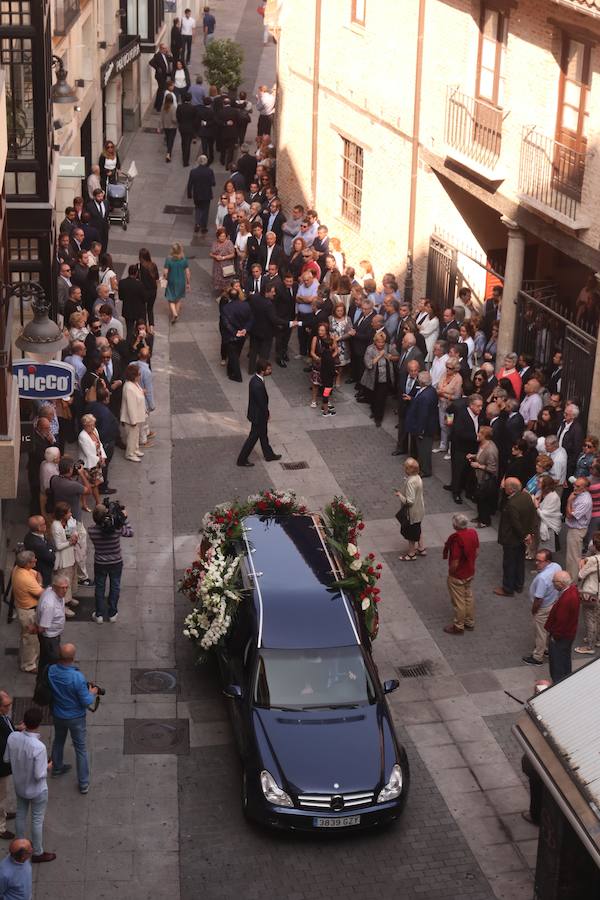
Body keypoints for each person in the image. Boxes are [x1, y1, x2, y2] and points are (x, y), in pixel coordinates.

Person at [4, 707, 54, 864]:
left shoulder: (12, 737)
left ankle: (19, 845)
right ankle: (37, 852)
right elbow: (40, 775)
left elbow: (6, 759)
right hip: (37, 790)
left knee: (21, 814)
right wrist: (48, 766)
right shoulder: (38, 747)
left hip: (20, 786)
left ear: (24, 721)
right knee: (37, 820)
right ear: (38, 724)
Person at [48, 643, 97, 795]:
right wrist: (93, 692)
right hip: (76, 717)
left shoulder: (51, 671)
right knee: (80, 749)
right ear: (73, 657)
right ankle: (83, 783)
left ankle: (56, 768)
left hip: (58, 714)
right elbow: (86, 701)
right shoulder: (77, 677)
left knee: (58, 740)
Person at [494, 478, 537, 597]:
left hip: (511, 538)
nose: (503, 487)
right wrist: (529, 534)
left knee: (509, 563)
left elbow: (515, 523)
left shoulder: (511, 504)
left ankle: (508, 588)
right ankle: (519, 584)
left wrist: (524, 535)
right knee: (519, 561)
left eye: (506, 486)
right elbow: (533, 514)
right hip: (523, 537)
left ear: (511, 489)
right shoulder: (526, 496)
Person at [236, 359, 281, 467]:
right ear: (262, 371)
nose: (270, 371)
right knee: (253, 438)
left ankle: (269, 454)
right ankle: (241, 460)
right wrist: (267, 413)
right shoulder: (257, 385)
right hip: (258, 416)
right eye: (268, 369)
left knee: (263, 435)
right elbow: (261, 403)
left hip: (258, 414)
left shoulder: (255, 380)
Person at [521, 550, 561, 667]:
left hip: (543, 608)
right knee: (548, 629)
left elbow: (538, 599)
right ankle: (546, 649)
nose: (536, 563)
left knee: (540, 633)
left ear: (547, 561)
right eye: (536, 559)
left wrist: (534, 611)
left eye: (540, 561)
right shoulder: (556, 566)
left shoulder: (542, 578)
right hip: (553, 603)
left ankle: (538, 656)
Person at [442, 514, 480, 634]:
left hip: (458, 575)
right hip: (469, 571)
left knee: (459, 601)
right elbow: (477, 551)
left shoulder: (457, 539)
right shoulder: (473, 533)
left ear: (455, 525)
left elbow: (455, 561)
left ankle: (459, 625)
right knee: (468, 597)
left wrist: (451, 572)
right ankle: (469, 621)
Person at [87, 505, 123, 624]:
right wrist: (123, 519)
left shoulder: (91, 530)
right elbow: (130, 532)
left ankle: (99, 615)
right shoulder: (117, 529)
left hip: (100, 563)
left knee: (100, 588)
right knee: (115, 586)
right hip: (116, 562)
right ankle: (112, 613)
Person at [444, 393, 483, 505]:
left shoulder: (480, 415)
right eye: (478, 406)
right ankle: (456, 492)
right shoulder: (461, 414)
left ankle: (467, 491)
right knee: (458, 470)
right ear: (471, 405)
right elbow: (459, 432)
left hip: (473, 448)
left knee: (469, 470)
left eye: (481, 406)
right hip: (460, 447)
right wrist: (476, 437)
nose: (480, 408)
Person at [545, 571, 580, 683]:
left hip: (561, 637)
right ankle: (566, 680)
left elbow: (561, 621)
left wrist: (554, 637)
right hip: (569, 634)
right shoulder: (572, 591)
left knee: (557, 662)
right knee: (565, 659)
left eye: (554, 581)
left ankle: (558, 683)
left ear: (560, 584)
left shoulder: (567, 599)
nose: (552, 583)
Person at [10, 553, 42, 675]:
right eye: (33, 559)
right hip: (28, 612)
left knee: (26, 637)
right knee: (31, 640)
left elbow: (37, 574)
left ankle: (24, 659)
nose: (36, 560)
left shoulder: (18, 569)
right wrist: (39, 583)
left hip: (23, 609)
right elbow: (41, 593)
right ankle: (28, 665)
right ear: (28, 563)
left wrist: (38, 579)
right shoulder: (26, 578)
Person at [404, 371, 438, 475]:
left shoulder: (425, 396)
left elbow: (423, 415)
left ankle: (425, 471)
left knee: (424, 450)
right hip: (429, 426)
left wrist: (420, 431)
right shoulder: (430, 390)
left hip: (425, 428)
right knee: (423, 449)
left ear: (422, 382)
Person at [35, 575, 68, 676]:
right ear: (54, 587)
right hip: (50, 639)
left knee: (45, 660)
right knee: (53, 662)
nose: (65, 590)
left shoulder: (52, 591)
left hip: (53, 636)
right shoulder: (49, 605)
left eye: (67, 587)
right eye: (62, 587)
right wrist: (33, 629)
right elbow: (42, 628)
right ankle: (48, 682)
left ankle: (42, 678)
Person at [574, 532, 600, 656]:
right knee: (598, 617)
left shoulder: (593, 560)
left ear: (595, 545)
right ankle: (597, 639)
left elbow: (580, 575)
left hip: (591, 592)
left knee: (590, 618)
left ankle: (590, 645)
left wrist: (583, 564)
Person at [49, 504, 78, 614]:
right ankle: (63, 606)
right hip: (62, 559)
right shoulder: (56, 526)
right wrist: (70, 542)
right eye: (69, 512)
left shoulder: (69, 521)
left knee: (69, 580)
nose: (71, 514)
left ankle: (68, 599)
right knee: (62, 583)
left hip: (70, 555)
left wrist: (75, 535)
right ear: (62, 515)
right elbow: (58, 546)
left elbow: (73, 530)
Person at [468, 425, 498, 528]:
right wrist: (474, 456)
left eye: (480, 433)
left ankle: (485, 521)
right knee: (480, 500)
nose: (477, 434)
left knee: (484, 501)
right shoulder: (482, 445)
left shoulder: (491, 450)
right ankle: (480, 517)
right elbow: (481, 456)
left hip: (486, 480)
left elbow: (493, 469)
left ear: (485, 435)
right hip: (480, 478)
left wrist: (478, 466)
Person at [395, 458, 425, 560]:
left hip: (412, 512)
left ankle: (411, 554)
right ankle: (421, 548)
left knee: (411, 532)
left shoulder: (411, 482)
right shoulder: (417, 477)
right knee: (418, 528)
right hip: (419, 510)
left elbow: (410, 501)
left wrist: (400, 495)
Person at [565, 476, 592, 581]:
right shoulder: (579, 494)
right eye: (575, 484)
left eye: (578, 486)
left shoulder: (585, 501)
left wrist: (569, 501)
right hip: (574, 529)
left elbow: (570, 516)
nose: (575, 487)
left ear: (585, 488)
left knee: (573, 557)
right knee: (571, 556)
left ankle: (572, 582)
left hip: (577, 530)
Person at [78, 414, 107, 507]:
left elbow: (100, 444)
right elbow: (88, 453)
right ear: (85, 425)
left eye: (94, 424)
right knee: (91, 484)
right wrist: (100, 459)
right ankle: (96, 502)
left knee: (93, 484)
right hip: (89, 464)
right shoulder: (82, 436)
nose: (93, 427)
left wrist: (103, 456)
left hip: (97, 461)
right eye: (91, 425)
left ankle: (86, 502)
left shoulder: (94, 430)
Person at [120, 364, 147, 462]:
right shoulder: (129, 387)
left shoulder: (134, 384)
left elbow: (138, 395)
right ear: (133, 375)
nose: (140, 376)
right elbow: (131, 406)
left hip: (138, 416)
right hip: (131, 418)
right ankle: (130, 453)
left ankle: (135, 449)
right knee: (131, 437)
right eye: (139, 374)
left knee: (135, 435)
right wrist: (133, 420)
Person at [187, 154, 215, 235]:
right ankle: (204, 227)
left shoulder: (193, 172)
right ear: (206, 162)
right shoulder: (209, 171)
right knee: (205, 210)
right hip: (206, 194)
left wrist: (189, 194)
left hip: (197, 194)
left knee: (198, 208)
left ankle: (197, 223)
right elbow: (213, 183)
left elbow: (190, 184)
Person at [23, 517, 55, 588]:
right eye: (44, 524)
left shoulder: (31, 535)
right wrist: (51, 549)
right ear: (39, 528)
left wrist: (49, 548)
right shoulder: (38, 544)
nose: (46, 525)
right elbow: (51, 557)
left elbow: (49, 544)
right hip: (43, 572)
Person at [163, 242, 190, 325]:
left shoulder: (169, 259)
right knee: (178, 299)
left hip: (171, 281)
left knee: (170, 298)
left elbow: (165, 272)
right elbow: (188, 272)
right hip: (181, 281)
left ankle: (174, 313)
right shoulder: (184, 259)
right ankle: (176, 315)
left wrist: (164, 278)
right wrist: (188, 282)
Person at [534, 475, 562, 552]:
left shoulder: (553, 497)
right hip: (540, 523)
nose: (537, 483)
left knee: (546, 550)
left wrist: (536, 506)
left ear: (546, 485)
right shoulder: (540, 492)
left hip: (549, 526)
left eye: (539, 482)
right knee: (540, 548)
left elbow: (545, 514)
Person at [210, 227, 235, 294]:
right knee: (218, 279)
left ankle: (226, 293)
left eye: (224, 236)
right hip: (217, 266)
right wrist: (215, 256)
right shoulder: (215, 243)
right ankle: (221, 292)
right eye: (221, 236)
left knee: (226, 280)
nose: (222, 238)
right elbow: (211, 254)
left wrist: (223, 257)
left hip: (226, 265)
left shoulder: (229, 243)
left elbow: (233, 254)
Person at [149, 44, 173, 112]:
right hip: (160, 76)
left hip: (165, 75)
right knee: (162, 91)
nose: (166, 50)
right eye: (165, 49)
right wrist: (157, 68)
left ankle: (156, 105)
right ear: (161, 49)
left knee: (160, 90)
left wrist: (168, 53)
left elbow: (171, 59)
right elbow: (151, 62)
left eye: (166, 48)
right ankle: (158, 107)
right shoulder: (157, 55)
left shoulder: (165, 55)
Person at [160, 94, 178, 162]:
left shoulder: (163, 107)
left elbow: (161, 118)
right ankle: (168, 153)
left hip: (165, 126)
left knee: (168, 139)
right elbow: (174, 119)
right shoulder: (173, 107)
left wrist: (160, 126)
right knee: (171, 140)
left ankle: (168, 150)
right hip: (172, 127)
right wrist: (177, 122)